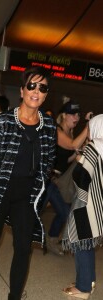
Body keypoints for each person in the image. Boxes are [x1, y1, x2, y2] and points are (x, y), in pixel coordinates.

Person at [0, 66, 56, 300]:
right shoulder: (5, 121)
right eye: (32, 85)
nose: (36, 91)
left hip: (26, 198)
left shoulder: (48, 127)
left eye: (42, 88)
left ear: (46, 94)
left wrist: (39, 187)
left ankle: (14, 296)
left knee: (23, 249)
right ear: (22, 90)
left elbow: (48, 161)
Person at [62, 114, 103, 300]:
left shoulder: (95, 147)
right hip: (99, 201)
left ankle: (83, 287)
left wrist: (80, 160)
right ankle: (89, 281)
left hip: (87, 203)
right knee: (89, 238)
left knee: (82, 239)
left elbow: (81, 176)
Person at [45, 101, 93, 255]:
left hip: (57, 181)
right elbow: (72, 145)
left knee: (63, 212)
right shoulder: (57, 131)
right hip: (47, 180)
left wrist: (79, 152)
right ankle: (37, 237)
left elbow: (66, 158)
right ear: (64, 115)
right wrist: (88, 126)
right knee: (39, 211)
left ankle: (50, 240)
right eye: (73, 114)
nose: (76, 117)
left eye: (78, 114)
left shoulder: (70, 133)